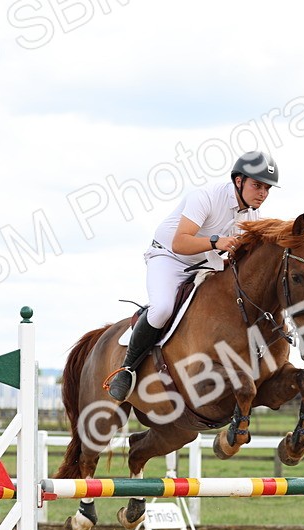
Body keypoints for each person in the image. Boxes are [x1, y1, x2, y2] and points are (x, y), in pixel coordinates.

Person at [105, 151, 280, 401]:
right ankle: (127, 368)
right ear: (239, 181)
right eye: (257, 185)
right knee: (163, 308)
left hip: (206, 264)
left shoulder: (252, 216)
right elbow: (180, 243)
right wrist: (216, 241)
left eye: (267, 188)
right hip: (168, 258)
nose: (262, 193)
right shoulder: (206, 197)